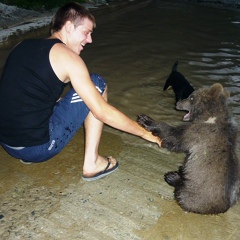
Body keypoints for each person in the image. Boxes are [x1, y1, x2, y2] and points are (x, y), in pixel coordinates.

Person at [0, 2, 160, 181]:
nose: (90, 40)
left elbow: (22, 91)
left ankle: (27, 149)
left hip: (7, 143)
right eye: (86, 32)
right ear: (68, 27)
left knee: (60, 98)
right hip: (36, 149)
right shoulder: (69, 58)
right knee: (97, 83)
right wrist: (148, 134)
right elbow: (102, 112)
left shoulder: (23, 45)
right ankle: (92, 163)